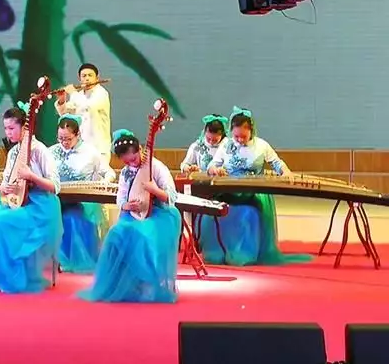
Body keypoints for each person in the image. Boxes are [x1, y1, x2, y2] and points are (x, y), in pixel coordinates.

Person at [0, 105, 62, 293]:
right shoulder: (13, 153)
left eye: (11, 128)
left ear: (24, 127)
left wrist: (31, 176)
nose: (8, 132)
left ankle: (6, 277)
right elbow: (5, 183)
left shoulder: (39, 150)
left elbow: (55, 186)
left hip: (41, 207)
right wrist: (5, 187)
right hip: (19, 202)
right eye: (6, 128)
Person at [79, 129, 182, 303]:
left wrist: (154, 190)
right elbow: (121, 198)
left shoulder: (156, 167)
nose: (131, 164)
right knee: (116, 234)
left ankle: (148, 284)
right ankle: (123, 285)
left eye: (133, 159)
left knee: (141, 235)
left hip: (160, 214)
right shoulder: (126, 172)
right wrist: (127, 205)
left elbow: (172, 197)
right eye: (126, 162)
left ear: (140, 149)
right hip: (133, 214)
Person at [201, 107, 312, 266]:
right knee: (212, 214)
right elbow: (212, 165)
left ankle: (244, 254)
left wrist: (286, 172)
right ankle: (220, 251)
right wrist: (215, 170)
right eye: (236, 136)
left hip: (253, 192)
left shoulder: (261, 145)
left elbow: (277, 163)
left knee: (248, 213)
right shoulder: (226, 146)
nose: (240, 140)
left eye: (243, 136)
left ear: (251, 131)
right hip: (230, 189)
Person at [49, 113, 116, 274]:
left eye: (68, 139)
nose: (64, 143)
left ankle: (73, 259)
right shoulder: (51, 151)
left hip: (82, 200)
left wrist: (102, 183)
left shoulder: (90, 152)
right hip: (57, 199)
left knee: (72, 217)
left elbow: (109, 173)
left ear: (78, 134)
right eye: (60, 138)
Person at [54, 63, 111, 164]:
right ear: (79, 79)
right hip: (81, 147)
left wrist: (73, 93)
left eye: (90, 75)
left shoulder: (102, 93)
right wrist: (62, 100)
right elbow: (65, 114)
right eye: (84, 76)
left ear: (97, 78)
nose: (87, 79)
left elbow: (89, 107)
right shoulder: (79, 95)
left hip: (99, 147)